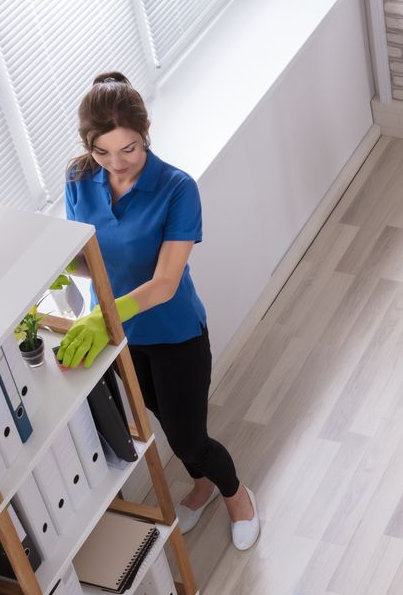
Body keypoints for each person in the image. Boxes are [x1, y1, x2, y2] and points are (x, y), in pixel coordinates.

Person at [58, 71, 260, 551]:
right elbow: (83, 253)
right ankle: (204, 483)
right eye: (102, 152)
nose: (116, 163)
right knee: (165, 422)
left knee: (189, 439)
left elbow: (166, 283)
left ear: (145, 133)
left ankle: (236, 495)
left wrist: (104, 313)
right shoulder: (78, 179)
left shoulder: (177, 189)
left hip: (174, 334)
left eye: (128, 149)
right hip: (121, 336)